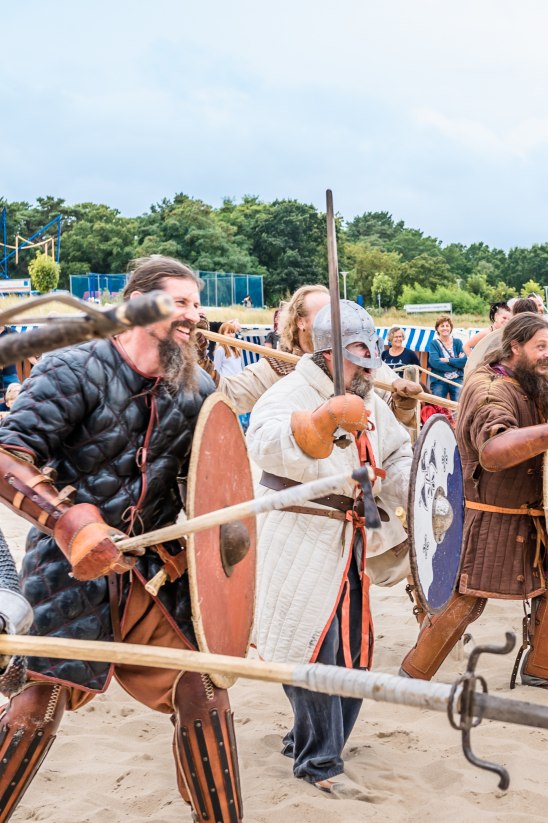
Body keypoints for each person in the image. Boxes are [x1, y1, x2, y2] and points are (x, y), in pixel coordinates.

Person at [0, 255, 241, 821]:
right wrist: (66, 521)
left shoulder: (196, 386)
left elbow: (212, 473)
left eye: (196, 303)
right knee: (43, 698)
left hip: (155, 573)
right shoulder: (73, 367)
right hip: (70, 569)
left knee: (204, 690)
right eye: (180, 302)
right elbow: (8, 456)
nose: (194, 314)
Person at [248, 300, 413, 790]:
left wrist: (419, 495)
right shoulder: (288, 392)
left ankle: (312, 738)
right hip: (300, 529)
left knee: (354, 647)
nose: (365, 372)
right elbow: (266, 440)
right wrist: (321, 422)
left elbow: (398, 450)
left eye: (369, 361)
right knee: (312, 646)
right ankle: (319, 764)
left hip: (352, 535)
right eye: (356, 360)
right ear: (327, 353)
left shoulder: (371, 400)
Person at [402, 314, 548, 689]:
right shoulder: (490, 389)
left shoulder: (533, 385)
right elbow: (494, 451)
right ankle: (414, 670)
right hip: (490, 513)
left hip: (532, 513)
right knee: (466, 597)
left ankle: (541, 674)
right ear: (514, 347)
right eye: (539, 347)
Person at [219, 284, 422, 435]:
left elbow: (394, 415)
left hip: (359, 472)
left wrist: (404, 404)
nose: (332, 321)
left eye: (334, 314)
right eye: (323, 314)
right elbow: (227, 396)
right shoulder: (275, 368)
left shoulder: (357, 360)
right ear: (300, 321)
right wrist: (201, 362)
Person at [425, 314, 466, 402]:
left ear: (451, 328)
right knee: (439, 405)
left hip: (457, 379)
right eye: (442, 326)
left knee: (459, 405)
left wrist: (448, 360)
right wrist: (456, 364)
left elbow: (463, 361)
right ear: (437, 328)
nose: (445, 328)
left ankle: (456, 416)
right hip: (439, 379)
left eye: (447, 326)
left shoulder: (458, 342)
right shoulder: (434, 344)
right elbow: (435, 362)